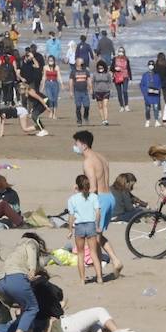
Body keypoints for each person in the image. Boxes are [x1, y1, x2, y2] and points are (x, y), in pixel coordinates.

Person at [73, 130, 123, 277]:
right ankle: (106, 267)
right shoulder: (101, 157)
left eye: (76, 143)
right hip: (109, 197)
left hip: (100, 198)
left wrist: (81, 198)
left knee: (92, 238)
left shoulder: (88, 162)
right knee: (97, 235)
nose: (74, 146)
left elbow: (93, 187)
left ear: (83, 145)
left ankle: (113, 262)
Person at [0, 232, 51, 332]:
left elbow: (37, 263)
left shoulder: (16, 249)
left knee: (25, 306)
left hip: (0, 282)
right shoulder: (30, 242)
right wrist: (32, 269)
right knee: (33, 307)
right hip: (15, 278)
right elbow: (32, 253)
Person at [68, 175, 104, 284]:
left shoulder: (72, 199)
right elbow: (98, 212)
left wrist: (70, 230)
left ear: (77, 186)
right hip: (90, 225)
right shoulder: (94, 197)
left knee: (80, 254)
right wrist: (97, 225)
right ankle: (99, 277)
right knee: (93, 253)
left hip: (79, 226)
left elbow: (71, 217)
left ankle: (82, 279)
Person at [139, 62, 163, 128]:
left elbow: (160, 84)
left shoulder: (157, 75)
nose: (151, 66)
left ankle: (157, 121)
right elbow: (141, 85)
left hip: (155, 94)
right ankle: (147, 121)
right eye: (150, 65)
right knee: (147, 108)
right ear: (148, 66)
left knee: (155, 107)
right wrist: (144, 92)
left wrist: (158, 90)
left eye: (152, 65)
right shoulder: (145, 75)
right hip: (147, 94)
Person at [91, 59, 113, 126]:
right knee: (100, 107)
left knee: (105, 106)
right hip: (97, 92)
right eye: (99, 68)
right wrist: (92, 90)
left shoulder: (107, 74)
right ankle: (103, 120)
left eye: (102, 68)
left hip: (106, 91)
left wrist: (110, 89)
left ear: (104, 67)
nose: (100, 69)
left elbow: (110, 82)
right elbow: (93, 82)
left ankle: (106, 120)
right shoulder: (95, 74)